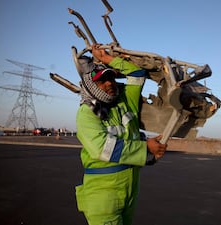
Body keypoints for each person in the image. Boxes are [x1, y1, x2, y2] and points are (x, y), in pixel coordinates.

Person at [75, 44, 167, 225]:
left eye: (111, 78)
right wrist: (145, 147)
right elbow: (102, 149)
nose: (109, 83)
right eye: (101, 81)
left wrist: (107, 59)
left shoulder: (124, 101)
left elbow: (137, 75)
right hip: (103, 191)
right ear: (90, 85)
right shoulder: (86, 113)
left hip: (130, 186)